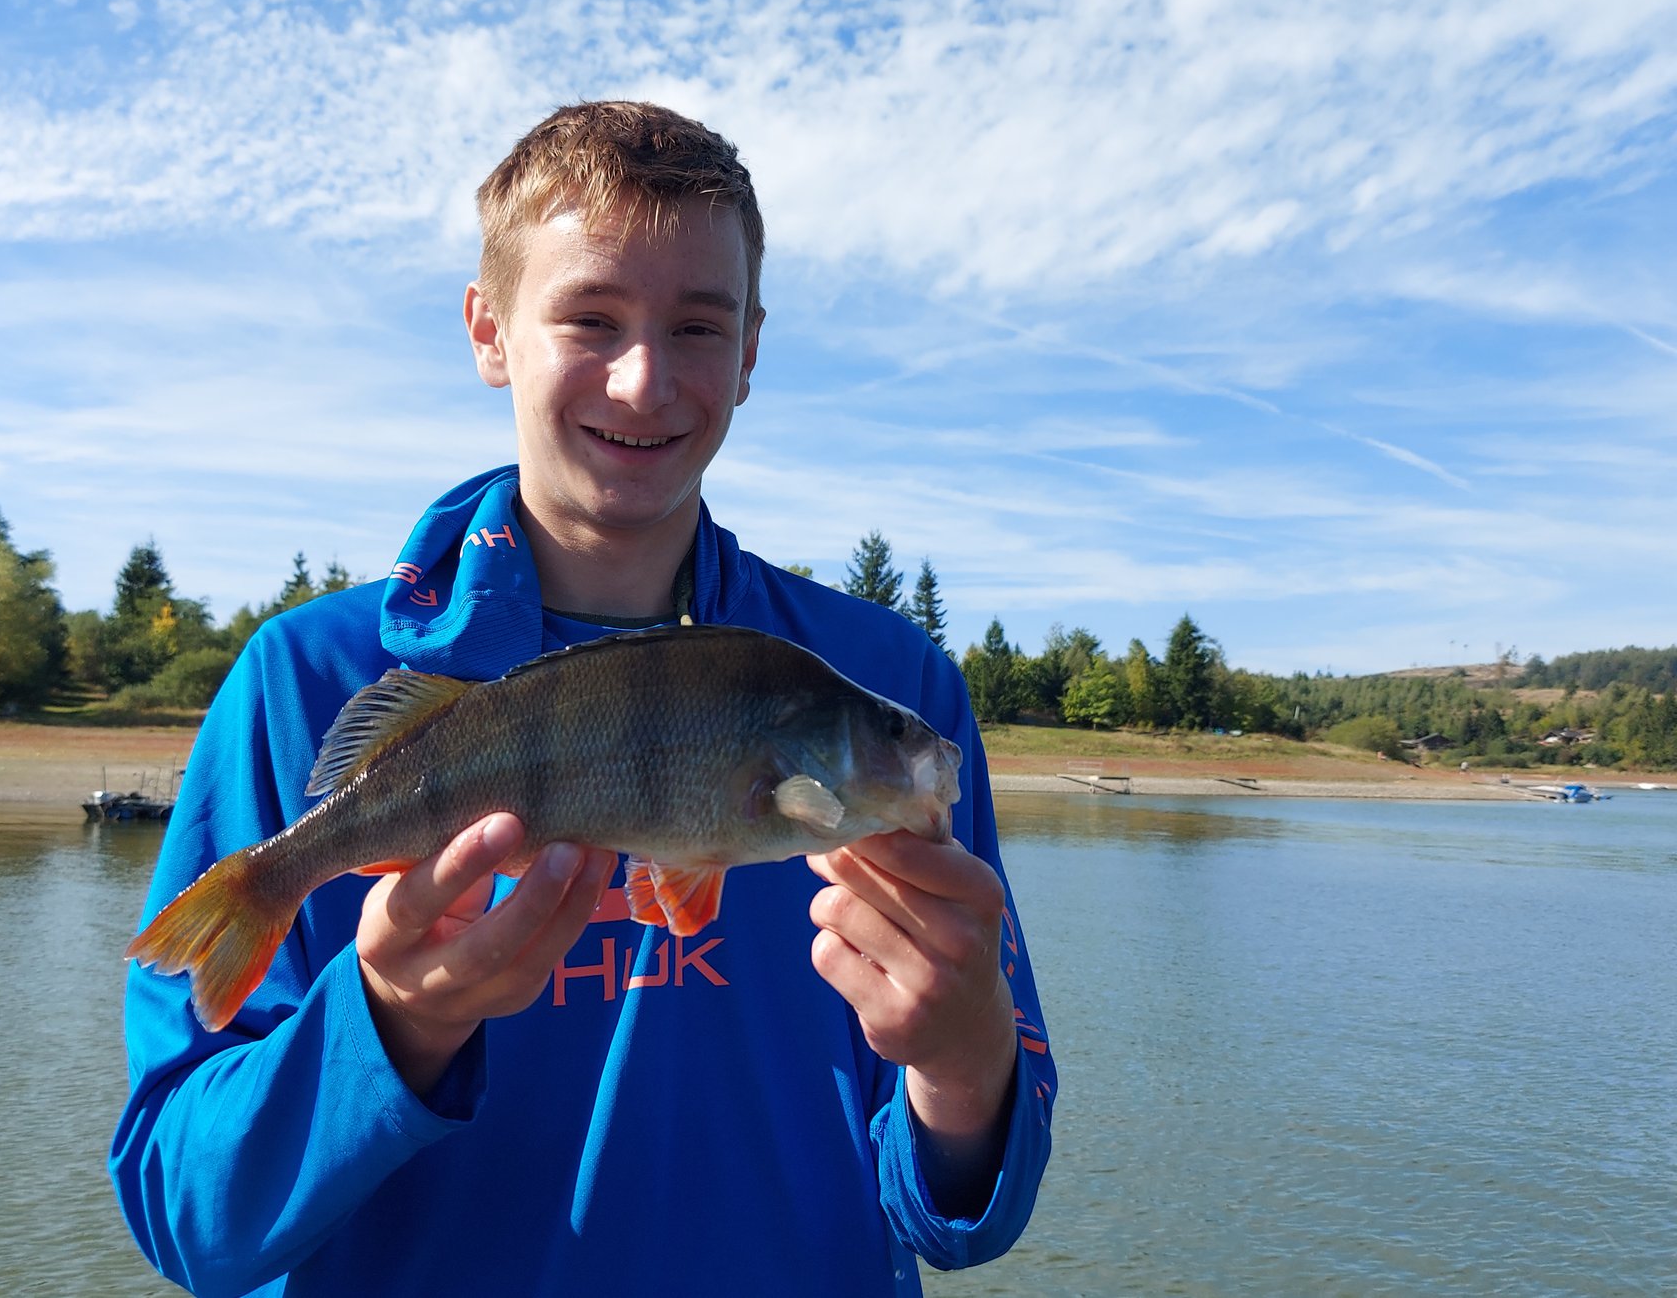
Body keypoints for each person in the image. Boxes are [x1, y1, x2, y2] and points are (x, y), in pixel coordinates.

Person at [110, 101, 1055, 1298]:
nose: (646, 378)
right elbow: (186, 1214)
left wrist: (967, 1070)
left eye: (698, 325)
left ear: (753, 349)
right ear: (489, 329)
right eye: (591, 318)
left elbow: (969, 1214)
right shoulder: (306, 683)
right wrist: (389, 1020)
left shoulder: (889, 689)